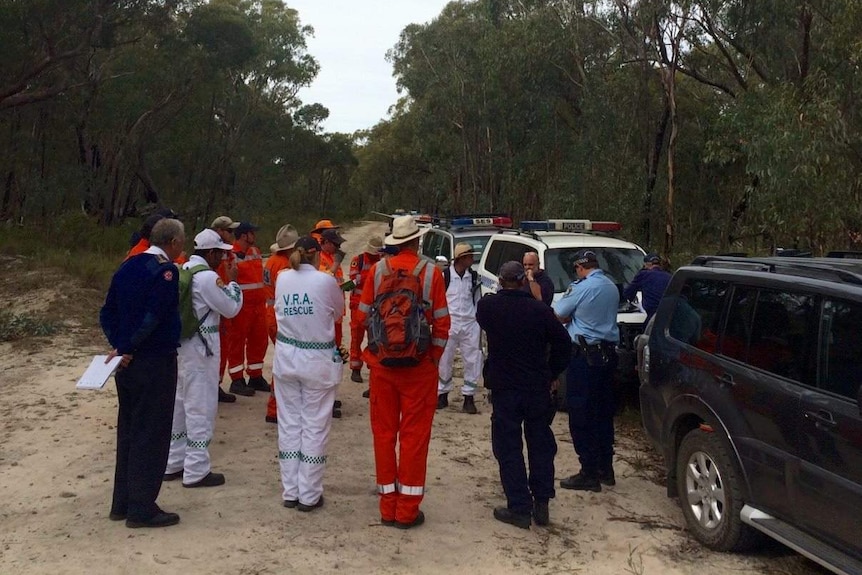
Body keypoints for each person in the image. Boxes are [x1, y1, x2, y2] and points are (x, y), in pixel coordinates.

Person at [355, 215, 450, 529]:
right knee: (414, 438)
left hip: (383, 368)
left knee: (384, 436)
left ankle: (387, 508)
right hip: (419, 369)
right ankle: (407, 511)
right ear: (417, 241)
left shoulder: (378, 271)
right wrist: (433, 359)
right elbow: (442, 325)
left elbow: (360, 318)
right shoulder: (431, 273)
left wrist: (371, 353)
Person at [99, 218, 186, 528]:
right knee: (152, 432)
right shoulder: (166, 271)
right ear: (173, 242)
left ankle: (122, 502)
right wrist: (130, 346)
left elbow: (107, 311)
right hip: (154, 360)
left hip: (125, 363)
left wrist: (120, 346)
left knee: (130, 429)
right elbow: (155, 315)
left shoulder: (127, 266)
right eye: (181, 242)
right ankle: (142, 507)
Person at [477, 261, 571, 529]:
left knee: (508, 447)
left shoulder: (489, 307)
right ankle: (541, 504)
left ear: (500, 281)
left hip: (505, 388)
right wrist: (553, 373)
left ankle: (518, 506)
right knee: (540, 445)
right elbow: (564, 344)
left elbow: (483, 315)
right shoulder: (540, 311)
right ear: (523, 281)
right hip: (536, 388)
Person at [164, 229, 242, 487]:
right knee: (201, 406)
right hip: (201, 348)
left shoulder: (182, 269)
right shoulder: (208, 278)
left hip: (182, 347)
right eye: (220, 253)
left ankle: (174, 462)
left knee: (179, 405)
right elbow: (230, 308)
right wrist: (232, 283)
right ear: (210, 253)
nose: (223, 258)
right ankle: (196, 469)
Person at [273, 236, 345, 512]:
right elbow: (338, 313)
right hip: (317, 361)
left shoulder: (282, 278)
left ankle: (290, 491)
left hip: (286, 359)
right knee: (315, 426)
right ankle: (309, 494)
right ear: (316, 255)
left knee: (290, 424)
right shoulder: (325, 281)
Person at [552, 249, 620, 492]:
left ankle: (588, 472)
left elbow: (559, 315)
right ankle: (606, 469)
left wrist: (573, 319)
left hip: (585, 357)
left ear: (580, 268)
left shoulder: (581, 287)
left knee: (581, 414)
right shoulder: (612, 286)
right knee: (603, 413)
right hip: (608, 355)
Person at [437, 242, 482, 414]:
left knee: (472, 360)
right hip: (450, 322)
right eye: (470, 256)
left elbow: (477, 300)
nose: (472, 259)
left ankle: (469, 397)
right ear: (461, 258)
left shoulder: (474, 277)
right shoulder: (445, 276)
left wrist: (478, 321)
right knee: (444, 359)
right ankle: (442, 394)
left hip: (470, 323)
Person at [227, 221, 270, 397]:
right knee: (236, 341)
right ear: (244, 235)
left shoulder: (255, 251)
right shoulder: (230, 254)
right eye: (252, 233)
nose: (255, 236)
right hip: (241, 306)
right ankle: (236, 379)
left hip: (259, 305)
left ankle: (255, 375)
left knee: (259, 341)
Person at [263, 224, 299, 424]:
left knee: (283, 361)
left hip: (271, 314)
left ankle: (277, 406)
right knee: (285, 363)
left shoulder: (271, 261)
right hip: (279, 317)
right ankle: (275, 408)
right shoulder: (284, 266)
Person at [315, 223, 348, 418]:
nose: (338, 248)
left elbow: (337, 284)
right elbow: (323, 282)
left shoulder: (331, 258)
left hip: (336, 316)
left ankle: (330, 396)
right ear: (324, 243)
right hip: (325, 317)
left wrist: (349, 285)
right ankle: (324, 400)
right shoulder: (320, 260)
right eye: (334, 244)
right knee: (326, 359)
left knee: (334, 358)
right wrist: (335, 265)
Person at [210, 215, 241, 403]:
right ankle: (211, 386)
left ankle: (216, 384)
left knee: (223, 348)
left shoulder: (227, 254)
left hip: (224, 304)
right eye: (229, 231)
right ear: (219, 232)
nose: (232, 234)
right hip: (216, 307)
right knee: (215, 349)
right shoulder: (212, 256)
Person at [348, 235, 383, 391]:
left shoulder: (382, 262)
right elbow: (352, 279)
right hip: (358, 305)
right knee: (356, 337)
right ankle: (355, 368)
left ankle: (373, 372)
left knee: (374, 340)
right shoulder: (359, 259)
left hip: (375, 307)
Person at [623, 253, 672, 322]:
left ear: (647, 264)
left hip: (652, 316)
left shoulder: (643, 275)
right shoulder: (669, 276)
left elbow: (628, 293)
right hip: (668, 316)